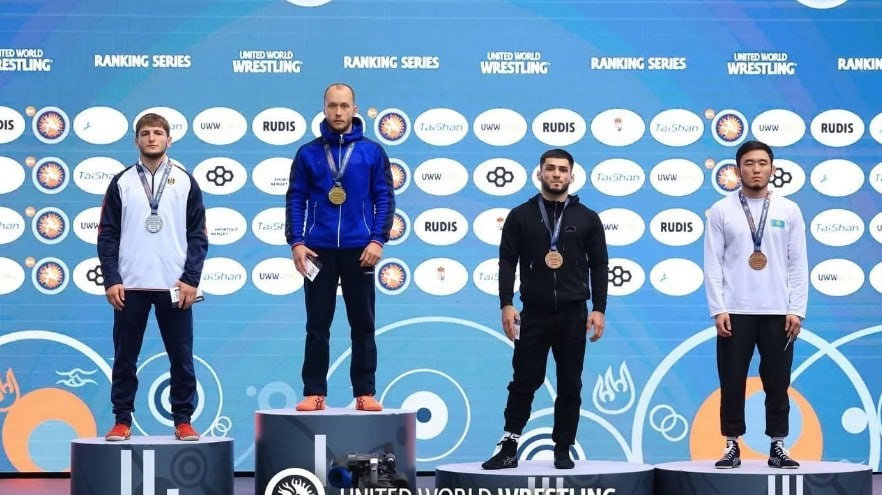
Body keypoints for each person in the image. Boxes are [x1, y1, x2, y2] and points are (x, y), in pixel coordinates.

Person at [482, 148, 608, 470]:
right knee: (524, 380)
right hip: (534, 313)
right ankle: (509, 446)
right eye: (550, 168)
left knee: (570, 383)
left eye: (562, 169)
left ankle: (562, 448)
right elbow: (507, 261)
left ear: (571, 176)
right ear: (539, 174)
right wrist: (506, 303)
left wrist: (599, 308)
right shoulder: (520, 216)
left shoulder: (588, 218)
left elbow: (599, 265)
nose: (556, 174)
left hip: (573, 314)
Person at [97, 113, 208, 441]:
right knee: (125, 357)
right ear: (136, 141)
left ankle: (183, 420)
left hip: (174, 286)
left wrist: (191, 279)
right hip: (129, 286)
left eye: (158, 133)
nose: (151, 138)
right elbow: (107, 234)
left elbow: (198, 235)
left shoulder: (185, 181)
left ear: (168, 140)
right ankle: (122, 420)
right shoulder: (122, 182)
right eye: (145, 133)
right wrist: (111, 278)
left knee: (181, 357)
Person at [285, 83, 395, 412]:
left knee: (363, 324)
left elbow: (384, 198)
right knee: (317, 325)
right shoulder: (308, 153)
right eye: (332, 105)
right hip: (317, 251)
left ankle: (365, 392)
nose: (338, 112)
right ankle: (314, 392)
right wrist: (296, 242)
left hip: (360, 250)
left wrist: (377, 240)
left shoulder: (372, 152)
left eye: (344, 106)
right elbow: (295, 199)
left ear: (354, 110)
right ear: (324, 109)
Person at [703, 139, 808, 469]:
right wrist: (718, 308)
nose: (756, 169)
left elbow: (798, 263)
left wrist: (797, 309)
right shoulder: (721, 210)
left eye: (762, 163)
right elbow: (712, 263)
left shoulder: (789, 210)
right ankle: (731, 444)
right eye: (749, 163)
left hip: (778, 312)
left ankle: (778, 445)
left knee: (778, 381)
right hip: (735, 311)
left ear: (772, 169)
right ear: (738, 170)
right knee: (732, 380)